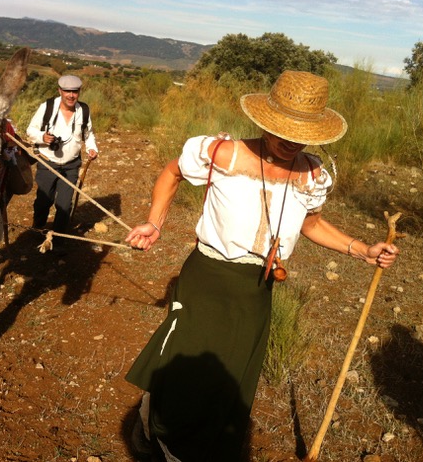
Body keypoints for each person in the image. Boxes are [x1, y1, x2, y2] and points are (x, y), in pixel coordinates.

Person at [124, 70, 399, 461]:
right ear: (263, 121)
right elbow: (172, 173)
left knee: (230, 377)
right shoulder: (222, 153)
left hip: (257, 288)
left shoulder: (313, 174)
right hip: (208, 275)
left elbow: (312, 223)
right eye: (281, 130)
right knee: (185, 371)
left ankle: (198, 444)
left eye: (300, 133)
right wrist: (155, 221)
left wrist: (362, 251)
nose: (289, 141)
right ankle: (159, 435)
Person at [26, 75, 98, 254]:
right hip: (48, 163)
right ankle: (38, 227)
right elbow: (30, 130)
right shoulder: (48, 107)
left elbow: (88, 135)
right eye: (67, 91)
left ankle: (58, 239)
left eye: (75, 91)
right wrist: (42, 137)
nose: (71, 95)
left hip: (71, 165)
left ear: (79, 92)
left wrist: (92, 148)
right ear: (60, 91)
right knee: (44, 200)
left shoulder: (84, 111)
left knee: (65, 204)